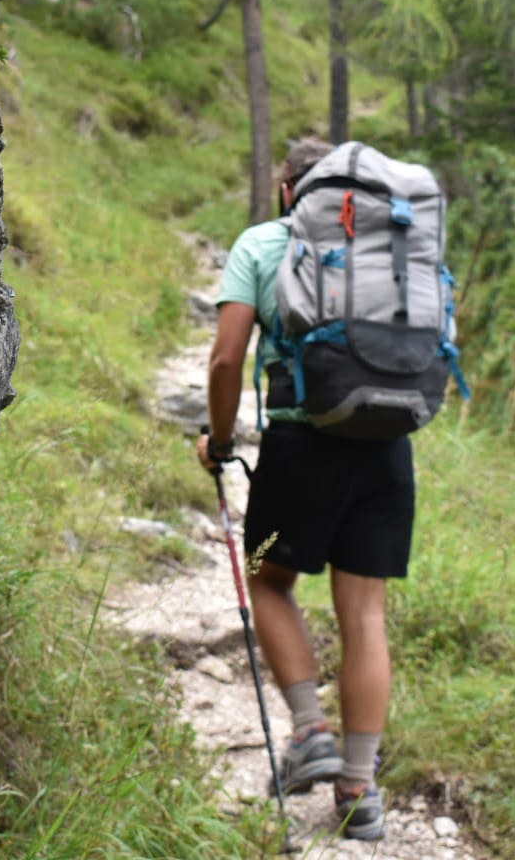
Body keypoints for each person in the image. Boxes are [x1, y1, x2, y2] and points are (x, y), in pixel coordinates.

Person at [195, 137, 416, 842]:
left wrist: (221, 440)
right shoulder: (391, 249)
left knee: (270, 580)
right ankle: (359, 789)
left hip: (300, 444)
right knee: (366, 617)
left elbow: (227, 356)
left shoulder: (263, 243)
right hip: (386, 448)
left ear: (288, 188)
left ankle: (309, 731)